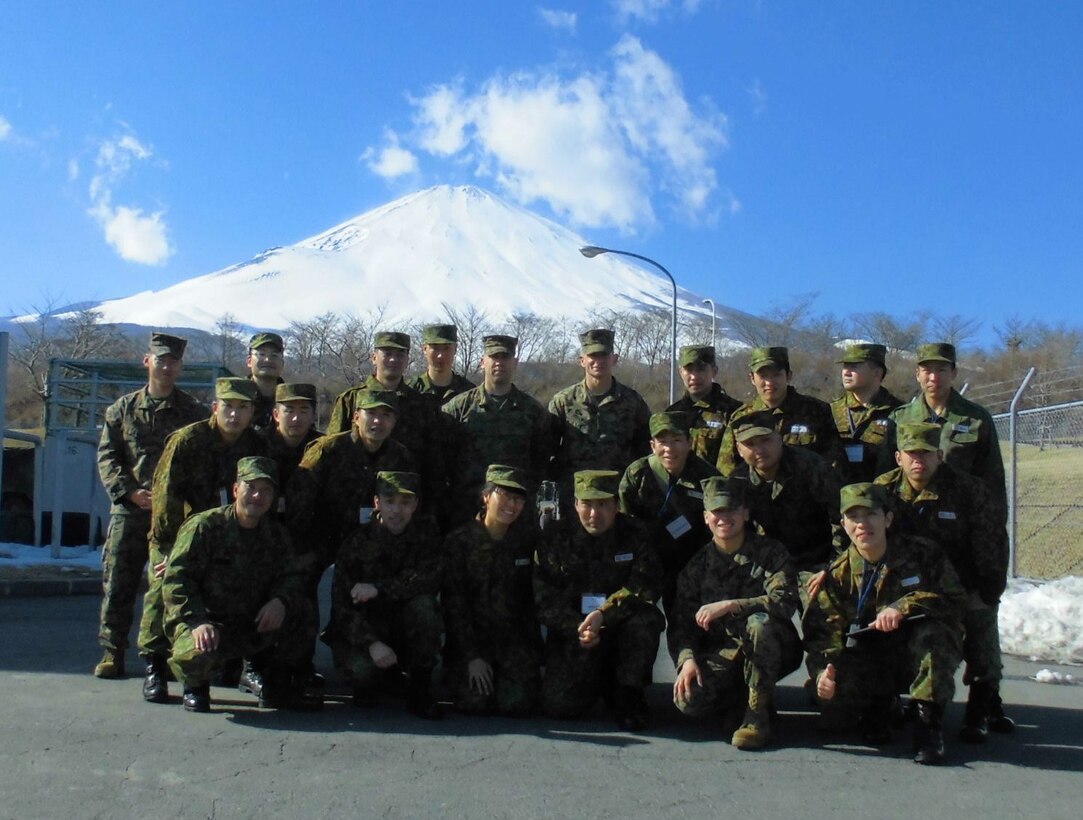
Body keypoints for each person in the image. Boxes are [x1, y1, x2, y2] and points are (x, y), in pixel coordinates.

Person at [803, 483, 966, 765]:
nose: (863, 524)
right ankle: (878, 705)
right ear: (844, 524)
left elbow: (955, 600)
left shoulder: (923, 554)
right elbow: (822, 634)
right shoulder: (837, 575)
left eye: (871, 515)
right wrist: (822, 675)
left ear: (887, 519)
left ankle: (927, 725)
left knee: (935, 636)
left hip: (914, 650)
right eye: (854, 517)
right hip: (868, 655)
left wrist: (904, 606)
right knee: (834, 714)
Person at [875, 421, 1012, 741]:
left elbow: (991, 543)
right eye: (911, 453)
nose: (918, 460)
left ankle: (981, 708)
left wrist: (987, 591)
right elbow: (861, 537)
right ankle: (888, 700)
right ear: (898, 457)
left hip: (961, 586)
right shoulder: (882, 491)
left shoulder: (969, 490)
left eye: (926, 453)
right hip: (902, 588)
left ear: (940, 455)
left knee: (982, 641)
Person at [137, 377, 266, 704]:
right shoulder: (188, 441)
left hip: (228, 533)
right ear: (215, 408)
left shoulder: (255, 445)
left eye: (242, 408)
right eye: (228, 407)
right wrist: (169, 551)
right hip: (180, 534)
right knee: (162, 584)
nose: (234, 415)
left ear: (252, 412)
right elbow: (165, 501)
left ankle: (238, 660)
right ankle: (154, 664)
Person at [162, 456, 316, 713]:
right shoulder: (205, 527)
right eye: (251, 487)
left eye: (266, 490)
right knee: (195, 654)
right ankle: (196, 685)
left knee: (302, 612)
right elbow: (177, 579)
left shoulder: (276, 535)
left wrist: (281, 601)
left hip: (251, 621)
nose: (258, 496)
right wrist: (196, 620)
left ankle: (273, 679)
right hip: (209, 622)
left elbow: (292, 577)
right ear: (236, 490)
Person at [94, 332, 206, 679]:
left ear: (180, 367)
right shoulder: (123, 409)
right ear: (148, 361)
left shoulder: (192, 412)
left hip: (172, 516)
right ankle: (113, 651)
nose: (167, 366)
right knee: (119, 583)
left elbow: (198, 462)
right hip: (131, 510)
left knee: (169, 585)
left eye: (173, 362)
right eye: (161, 360)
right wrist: (128, 491)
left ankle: (166, 654)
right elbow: (108, 456)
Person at [669, 478, 801, 749]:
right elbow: (681, 622)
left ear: (745, 513)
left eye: (731, 510)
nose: (724, 517)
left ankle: (757, 715)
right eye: (717, 512)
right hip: (727, 652)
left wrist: (732, 605)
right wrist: (687, 661)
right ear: (706, 518)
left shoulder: (771, 553)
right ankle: (742, 698)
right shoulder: (696, 567)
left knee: (758, 623)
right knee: (689, 700)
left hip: (774, 645)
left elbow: (784, 601)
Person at [533, 470, 665, 730]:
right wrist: (578, 627)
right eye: (587, 505)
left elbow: (646, 585)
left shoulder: (634, 533)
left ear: (616, 505)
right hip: (575, 631)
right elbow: (544, 598)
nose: (595, 514)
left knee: (646, 621)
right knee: (561, 707)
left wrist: (604, 614)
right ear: (575, 505)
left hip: (620, 627)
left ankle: (629, 693)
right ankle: (601, 680)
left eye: (603, 504)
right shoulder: (555, 538)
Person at [325, 471, 444, 719]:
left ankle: (420, 688)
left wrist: (379, 588)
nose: (397, 511)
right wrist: (372, 643)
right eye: (390, 502)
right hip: (367, 632)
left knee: (425, 606)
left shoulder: (426, 537)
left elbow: (430, 579)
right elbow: (342, 607)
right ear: (377, 503)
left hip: (404, 628)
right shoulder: (357, 543)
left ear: (415, 505)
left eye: (405, 503)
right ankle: (385, 678)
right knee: (362, 675)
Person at [442, 465, 543, 716]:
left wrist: (533, 657)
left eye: (518, 499)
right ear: (486, 496)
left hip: (513, 643)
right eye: (505, 496)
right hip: (473, 642)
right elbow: (454, 604)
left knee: (517, 705)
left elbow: (534, 600)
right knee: (473, 703)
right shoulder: (460, 541)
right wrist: (471, 656)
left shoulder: (527, 540)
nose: (512, 504)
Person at [286, 389, 415, 578]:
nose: (378, 421)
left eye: (386, 415)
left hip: (377, 554)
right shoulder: (327, 450)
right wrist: (307, 552)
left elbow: (408, 508)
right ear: (356, 417)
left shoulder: (401, 458)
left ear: (394, 421)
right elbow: (298, 506)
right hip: (325, 552)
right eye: (371, 414)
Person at [878, 342, 1007, 517]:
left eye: (941, 370)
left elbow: (993, 479)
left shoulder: (976, 418)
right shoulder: (900, 419)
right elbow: (886, 475)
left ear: (954, 373)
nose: (934, 377)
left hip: (961, 520)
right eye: (927, 371)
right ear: (917, 374)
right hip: (909, 519)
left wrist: (993, 530)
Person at [728, 412, 842, 607]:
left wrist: (834, 565)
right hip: (768, 566)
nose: (760, 449)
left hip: (816, 561)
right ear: (739, 449)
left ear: (779, 438)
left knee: (824, 604)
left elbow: (841, 518)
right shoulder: (738, 481)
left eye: (765, 440)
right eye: (750, 444)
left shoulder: (811, 467)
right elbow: (736, 533)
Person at [326, 331, 448, 514]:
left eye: (400, 354)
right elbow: (332, 450)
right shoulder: (351, 399)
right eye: (387, 353)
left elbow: (433, 465)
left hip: (403, 509)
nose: (393, 360)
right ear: (374, 357)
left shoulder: (421, 405)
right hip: (350, 506)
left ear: (407, 360)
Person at [618, 411, 719, 620]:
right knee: (635, 620)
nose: (669, 449)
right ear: (652, 445)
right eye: (662, 442)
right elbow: (623, 524)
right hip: (646, 563)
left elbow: (718, 528)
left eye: (676, 440)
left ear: (690, 442)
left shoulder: (707, 477)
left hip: (689, 563)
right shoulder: (637, 474)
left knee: (691, 622)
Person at [442, 334, 552, 526]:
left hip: (515, 511)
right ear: (483, 361)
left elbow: (540, 462)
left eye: (505, 357)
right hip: (466, 511)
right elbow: (443, 460)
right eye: (494, 357)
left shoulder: (533, 411)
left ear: (515, 362)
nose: (499, 363)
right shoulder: (458, 408)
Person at [548, 328, 651, 510]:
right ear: (582, 360)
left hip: (618, 497)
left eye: (604, 355)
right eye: (592, 356)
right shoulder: (563, 402)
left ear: (614, 358)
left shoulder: (632, 401)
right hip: (575, 498)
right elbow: (546, 448)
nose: (598, 361)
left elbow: (646, 449)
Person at [716, 346, 837, 476]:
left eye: (776, 375)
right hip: (756, 493)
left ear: (788, 375)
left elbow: (835, 464)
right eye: (763, 376)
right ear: (752, 378)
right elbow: (727, 470)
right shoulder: (741, 418)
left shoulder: (817, 411)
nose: (769, 382)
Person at [829, 343, 902, 484]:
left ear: (877, 373)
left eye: (854, 366)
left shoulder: (898, 412)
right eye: (845, 366)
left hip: (882, 498)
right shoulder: (831, 411)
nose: (846, 372)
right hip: (839, 498)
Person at [665, 345, 741, 466]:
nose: (694, 377)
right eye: (689, 370)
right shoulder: (672, 413)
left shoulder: (733, 412)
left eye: (701, 369)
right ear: (680, 372)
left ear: (714, 371)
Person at [259, 382, 322, 506]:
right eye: (289, 411)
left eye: (303, 411)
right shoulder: (258, 443)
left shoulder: (322, 447)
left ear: (313, 416)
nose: (296, 418)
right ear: (276, 415)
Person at [410, 323, 476, 404]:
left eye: (446, 348)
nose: (440, 355)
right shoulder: (411, 391)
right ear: (424, 349)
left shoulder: (469, 392)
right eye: (435, 348)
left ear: (455, 349)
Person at [246, 332, 286, 431]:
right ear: (249, 361)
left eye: (274, 355)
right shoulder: (236, 396)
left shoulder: (291, 400)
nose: (268, 359)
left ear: (282, 363)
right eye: (262, 354)